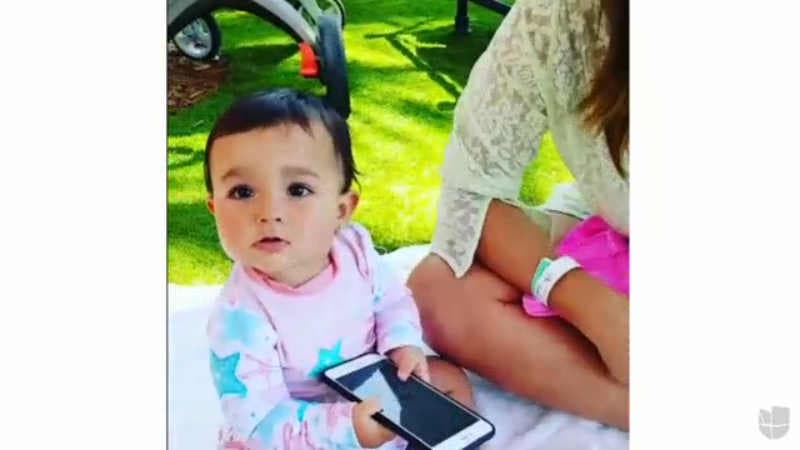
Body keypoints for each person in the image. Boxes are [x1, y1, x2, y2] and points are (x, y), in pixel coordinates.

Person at [203, 89, 474, 450]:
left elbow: (391, 301)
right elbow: (261, 422)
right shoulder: (239, 317)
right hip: (300, 429)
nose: (269, 212)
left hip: (371, 388)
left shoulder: (355, 249)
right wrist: (348, 427)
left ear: (341, 210)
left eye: (297, 189)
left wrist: (402, 344)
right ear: (214, 209)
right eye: (242, 192)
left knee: (447, 379)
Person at [407, 0, 630, 430]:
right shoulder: (558, 15)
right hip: (613, 218)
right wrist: (599, 311)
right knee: (440, 290)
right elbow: (473, 187)